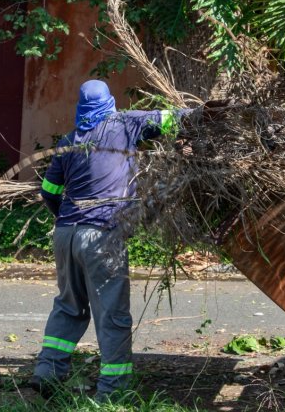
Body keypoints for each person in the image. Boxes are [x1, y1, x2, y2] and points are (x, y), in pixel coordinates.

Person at [29, 79, 190, 400]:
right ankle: (112, 393)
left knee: (69, 306)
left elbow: (48, 192)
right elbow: (172, 119)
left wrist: (66, 218)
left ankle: (47, 371)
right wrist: (201, 113)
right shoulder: (124, 122)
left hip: (65, 234)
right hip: (101, 235)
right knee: (112, 315)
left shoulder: (68, 141)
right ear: (109, 103)